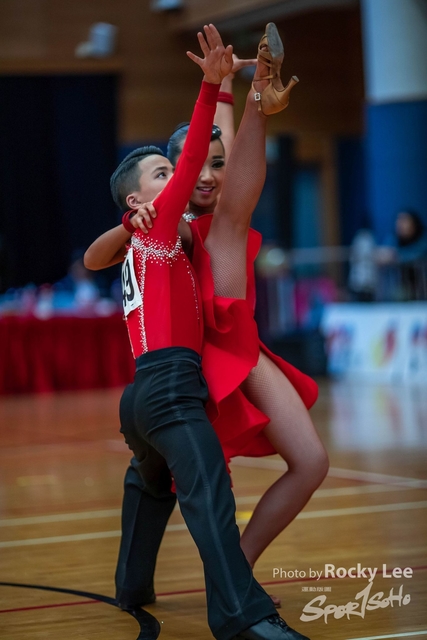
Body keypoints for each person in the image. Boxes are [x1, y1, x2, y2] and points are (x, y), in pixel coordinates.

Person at [85, 23, 310, 640]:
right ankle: (239, 606)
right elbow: (208, 166)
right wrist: (220, 89)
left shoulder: (160, 230)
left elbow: (226, 161)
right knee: (208, 492)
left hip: (159, 384)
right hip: (182, 374)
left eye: (215, 162)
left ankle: (137, 583)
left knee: (153, 476)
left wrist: (243, 93)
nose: (203, 173)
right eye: (173, 171)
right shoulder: (168, 227)